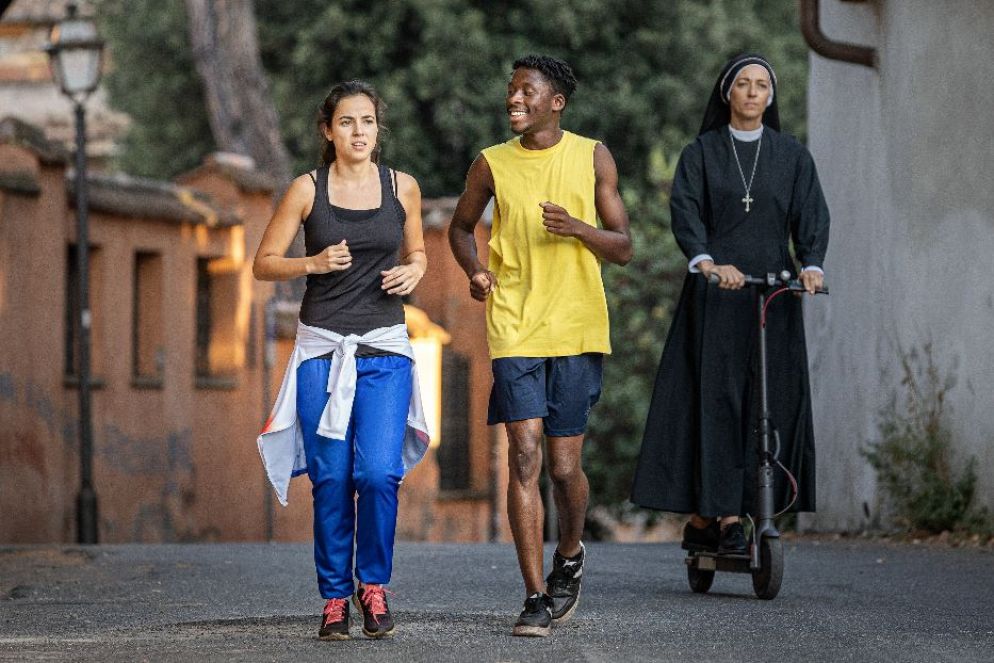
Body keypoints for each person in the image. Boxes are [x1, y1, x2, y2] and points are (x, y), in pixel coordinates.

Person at [448, 55, 632, 637]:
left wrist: (579, 228)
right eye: (510, 92)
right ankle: (533, 596)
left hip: (577, 325)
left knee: (563, 465)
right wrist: (476, 270)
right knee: (524, 455)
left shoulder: (592, 155)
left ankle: (570, 555)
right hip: (514, 323)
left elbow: (623, 246)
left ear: (557, 102)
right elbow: (459, 227)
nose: (514, 101)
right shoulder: (490, 164)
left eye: (526, 91)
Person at [631, 54, 830, 555]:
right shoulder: (701, 153)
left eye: (762, 85)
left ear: (770, 96)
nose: (752, 92)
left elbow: (811, 215)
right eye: (743, 83)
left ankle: (749, 507)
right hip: (718, 297)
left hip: (773, 295)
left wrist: (811, 265)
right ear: (727, 93)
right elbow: (686, 211)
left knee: (770, 400)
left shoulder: (792, 156)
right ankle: (721, 518)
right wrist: (706, 261)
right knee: (718, 401)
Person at [253, 80, 429, 641]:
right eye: (347, 122)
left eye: (368, 122)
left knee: (377, 474)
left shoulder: (403, 187)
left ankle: (372, 586)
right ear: (328, 130)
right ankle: (335, 598)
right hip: (321, 351)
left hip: (385, 349)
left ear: (379, 129)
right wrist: (314, 262)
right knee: (330, 478)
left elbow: (419, 249)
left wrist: (417, 269)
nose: (359, 132)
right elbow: (263, 263)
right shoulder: (306, 191)